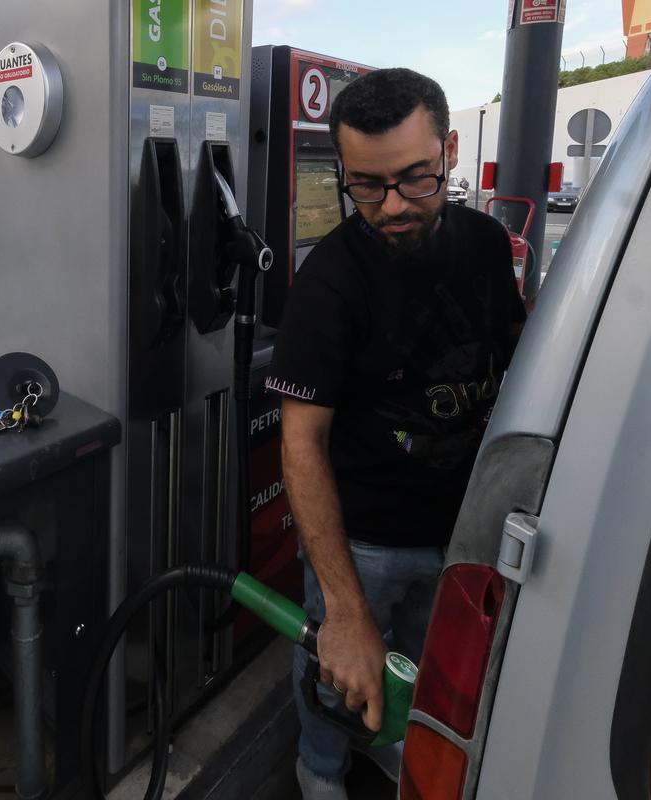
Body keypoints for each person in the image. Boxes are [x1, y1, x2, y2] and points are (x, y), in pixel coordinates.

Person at [265, 69, 525, 800]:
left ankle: (392, 750)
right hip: (367, 540)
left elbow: (516, 348)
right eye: (367, 187)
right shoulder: (328, 287)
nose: (393, 207)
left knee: (422, 665)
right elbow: (301, 445)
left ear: (449, 147)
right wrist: (344, 612)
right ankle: (319, 773)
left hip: (464, 522)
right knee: (340, 671)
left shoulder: (483, 243)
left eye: (417, 179)